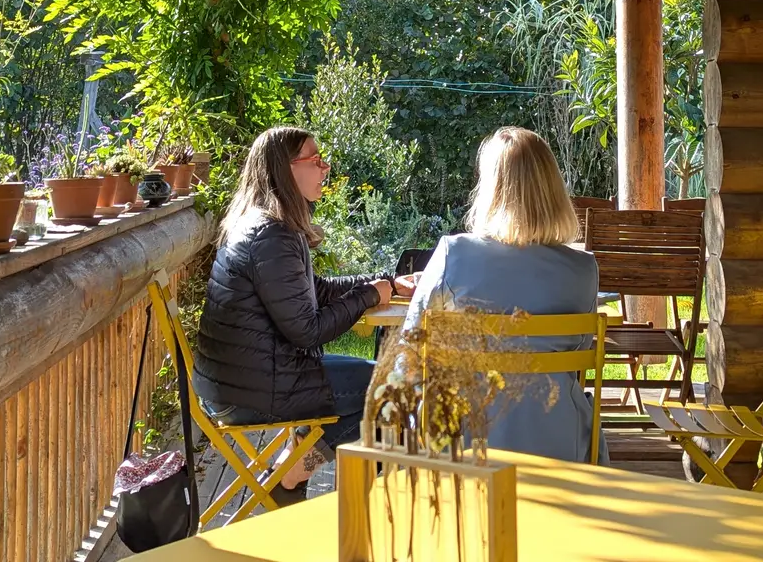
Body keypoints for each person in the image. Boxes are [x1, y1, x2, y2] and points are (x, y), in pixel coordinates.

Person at [194, 126, 405, 505]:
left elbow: (316, 290)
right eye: (315, 160)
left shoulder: (262, 225)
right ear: (285, 169)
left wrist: (383, 282)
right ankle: (309, 482)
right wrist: (370, 295)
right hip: (255, 390)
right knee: (393, 392)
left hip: (243, 379)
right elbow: (308, 331)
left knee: (382, 379)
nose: (325, 168)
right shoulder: (271, 236)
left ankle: (292, 471)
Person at [402, 127, 602, 463]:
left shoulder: (455, 254)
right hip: (559, 442)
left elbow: (411, 344)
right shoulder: (583, 269)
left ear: (490, 188)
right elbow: (580, 353)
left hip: (464, 440)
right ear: (553, 189)